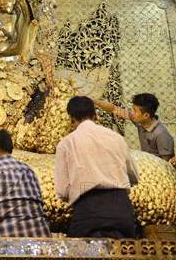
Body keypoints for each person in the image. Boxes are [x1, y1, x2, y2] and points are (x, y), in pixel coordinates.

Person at [55, 96, 139, 238]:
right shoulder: (116, 138)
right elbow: (133, 176)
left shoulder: (66, 143)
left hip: (88, 212)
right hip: (121, 210)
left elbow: (63, 191)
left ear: (71, 118)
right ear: (95, 115)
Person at [92, 93, 175, 160]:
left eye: (135, 110)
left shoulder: (161, 134)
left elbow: (167, 163)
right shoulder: (140, 120)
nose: (132, 113)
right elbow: (113, 109)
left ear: (146, 115)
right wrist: (91, 100)